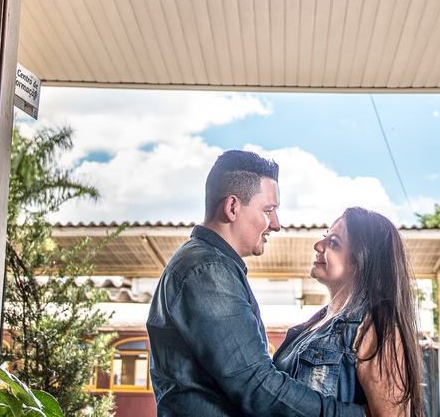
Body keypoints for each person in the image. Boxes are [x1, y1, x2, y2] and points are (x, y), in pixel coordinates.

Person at [148, 150, 364, 417]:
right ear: (232, 207)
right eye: (268, 210)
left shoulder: (212, 266)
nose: (276, 224)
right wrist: (355, 415)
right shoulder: (208, 271)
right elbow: (257, 386)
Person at [273, 207, 423, 417]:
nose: (318, 245)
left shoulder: (375, 326)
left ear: (363, 261)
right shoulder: (312, 327)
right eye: (325, 237)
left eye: (333, 243)